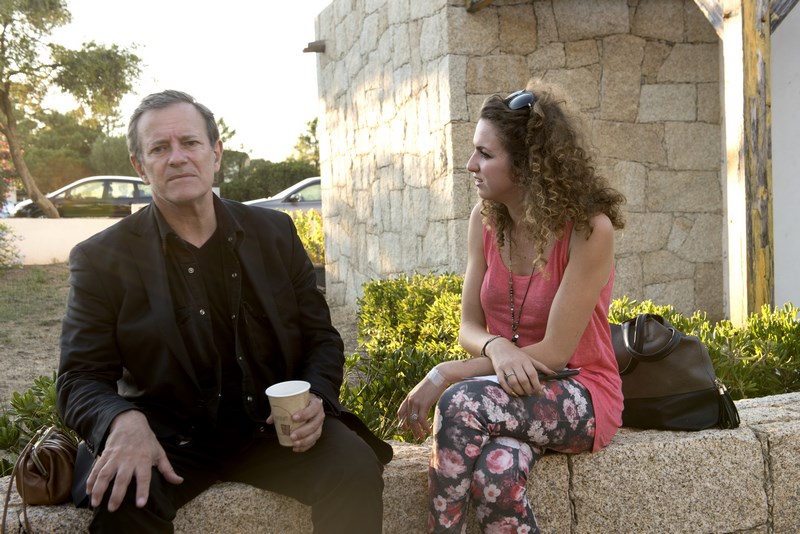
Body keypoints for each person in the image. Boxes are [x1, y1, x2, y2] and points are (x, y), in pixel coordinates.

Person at [56, 89, 392, 533]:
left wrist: (316, 395)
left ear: (215, 153)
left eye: (190, 143)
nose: (177, 157)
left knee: (354, 467)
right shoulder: (101, 259)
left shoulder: (275, 232)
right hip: (168, 441)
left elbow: (321, 338)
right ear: (140, 166)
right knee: (124, 500)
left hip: (274, 431)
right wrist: (122, 420)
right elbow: (78, 377)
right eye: (159, 148)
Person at [397, 80, 626, 533]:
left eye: (485, 154)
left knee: (460, 401)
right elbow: (469, 327)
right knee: (496, 474)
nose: (470, 165)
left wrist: (445, 373)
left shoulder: (589, 230)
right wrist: (497, 347)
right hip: (509, 391)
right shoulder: (484, 221)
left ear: (525, 166)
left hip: (578, 390)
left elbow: (556, 353)